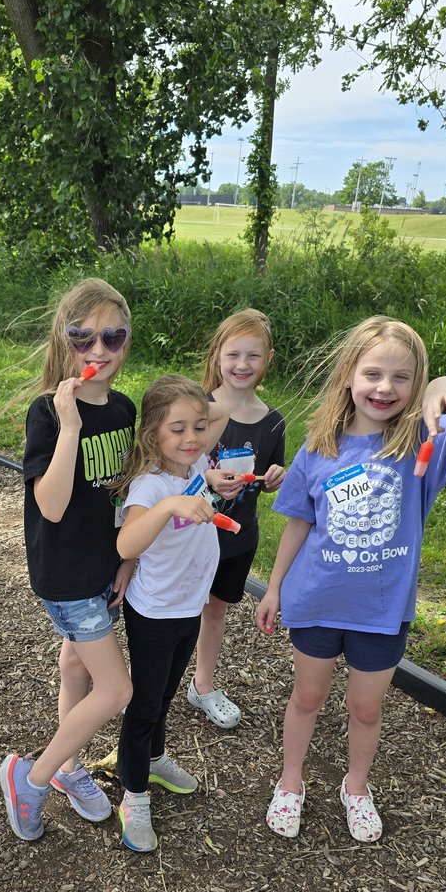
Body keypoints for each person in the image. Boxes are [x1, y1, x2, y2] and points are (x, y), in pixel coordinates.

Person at [256, 315, 446, 843]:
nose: (385, 387)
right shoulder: (318, 448)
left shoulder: (423, 443)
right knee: (306, 698)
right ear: (348, 375)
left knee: (366, 707)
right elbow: (300, 522)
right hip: (317, 600)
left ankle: (356, 787)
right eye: (372, 373)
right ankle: (290, 781)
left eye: (402, 377)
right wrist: (274, 587)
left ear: (416, 385)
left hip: (381, 611)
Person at [0, 279, 135, 842]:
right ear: (64, 340)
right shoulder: (48, 413)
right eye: (83, 338)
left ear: (127, 342)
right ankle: (31, 776)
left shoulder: (126, 409)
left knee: (77, 666)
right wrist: (71, 426)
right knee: (116, 691)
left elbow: (123, 494)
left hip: (103, 565)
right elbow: (51, 506)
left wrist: (126, 561)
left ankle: (69, 767)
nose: (97, 352)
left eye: (112, 337)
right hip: (65, 575)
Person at [113, 374, 234, 852]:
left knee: (163, 695)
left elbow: (218, 412)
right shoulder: (150, 485)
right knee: (143, 706)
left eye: (198, 428)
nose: (191, 438)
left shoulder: (197, 463)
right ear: (152, 436)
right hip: (155, 612)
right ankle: (133, 793)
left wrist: (211, 476)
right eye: (177, 429)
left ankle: (154, 757)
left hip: (189, 605)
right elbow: (127, 542)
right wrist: (168, 506)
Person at [188, 309, 286, 729]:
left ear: (268, 359)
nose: (242, 366)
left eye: (253, 356)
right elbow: (170, 467)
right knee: (175, 610)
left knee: (214, 612)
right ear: (218, 356)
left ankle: (202, 685)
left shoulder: (274, 421)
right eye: (233, 355)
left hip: (237, 540)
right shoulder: (197, 407)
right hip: (188, 536)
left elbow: (269, 473)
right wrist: (205, 475)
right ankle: (153, 682)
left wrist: (274, 479)